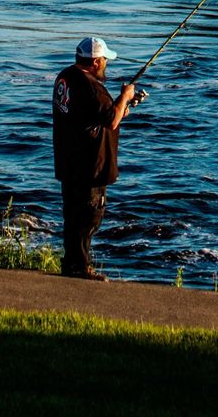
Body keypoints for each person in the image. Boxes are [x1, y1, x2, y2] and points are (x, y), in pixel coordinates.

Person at [52, 36, 137, 280]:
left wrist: (119, 108)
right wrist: (125, 97)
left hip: (69, 161)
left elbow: (92, 114)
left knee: (72, 215)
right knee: (89, 217)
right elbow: (110, 120)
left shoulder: (65, 77)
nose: (106, 66)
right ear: (96, 61)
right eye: (105, 61)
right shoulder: (91, 86)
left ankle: (71, 264)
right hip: (90, 165)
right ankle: (80, 268)